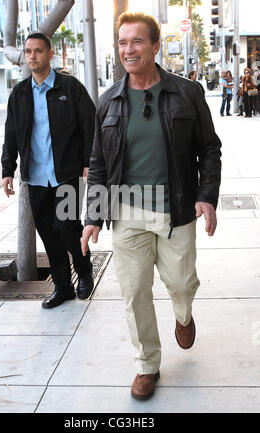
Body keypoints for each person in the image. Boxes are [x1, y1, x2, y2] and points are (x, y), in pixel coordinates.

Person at [81, 12, 221, 401]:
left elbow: (209, 149)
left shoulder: (186, 93)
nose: (129, 49)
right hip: (127, 216)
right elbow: (99, 165)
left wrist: (206, 196)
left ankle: (184, 314)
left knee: (180, 282)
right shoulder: (108, 102)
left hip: (176, 211)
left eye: (137, 41)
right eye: (123, 42)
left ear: (156, 46)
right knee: (134, 292)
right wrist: (93, 216)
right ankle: (147, 364)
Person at [1, 32, 96, 308]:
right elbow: (11, 134)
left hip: (66, 174)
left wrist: (90, 162)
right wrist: (8, 169)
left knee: (67, 229)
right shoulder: (19, 94)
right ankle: (63, 286)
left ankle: (84, 270)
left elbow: (89, 127)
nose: (32, 56)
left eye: (38, 51)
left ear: (50, 54)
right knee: (48, 234)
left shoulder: (70, 88)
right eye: (28, 51)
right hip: (37, 178)